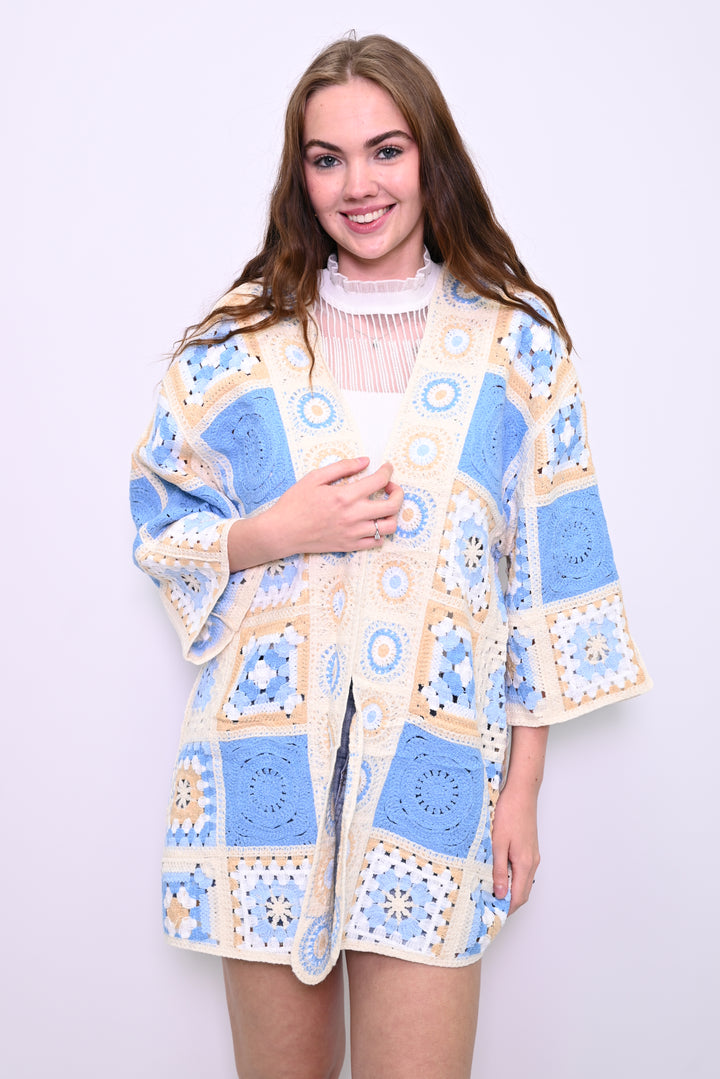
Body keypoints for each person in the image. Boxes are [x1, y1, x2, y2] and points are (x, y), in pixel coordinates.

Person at [130, 33, 651, 1079]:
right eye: (327, 159)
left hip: (437, 772)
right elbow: (158, 521)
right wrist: (276, 530)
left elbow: (548, 580)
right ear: (301, 175)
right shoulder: (235, 348)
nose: (357, 185)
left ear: (429, 157)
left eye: (386, 151)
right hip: (264, 775)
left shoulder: (517, 348)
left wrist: (521, 790)